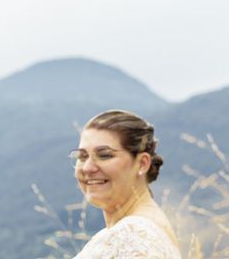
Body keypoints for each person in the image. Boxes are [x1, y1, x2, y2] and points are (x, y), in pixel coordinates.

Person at [70, 110, 181, 259]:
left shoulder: (134, 234)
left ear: (142, 163)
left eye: (104, 155)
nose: (88, 168)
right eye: (82, 156)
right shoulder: (129, 230)